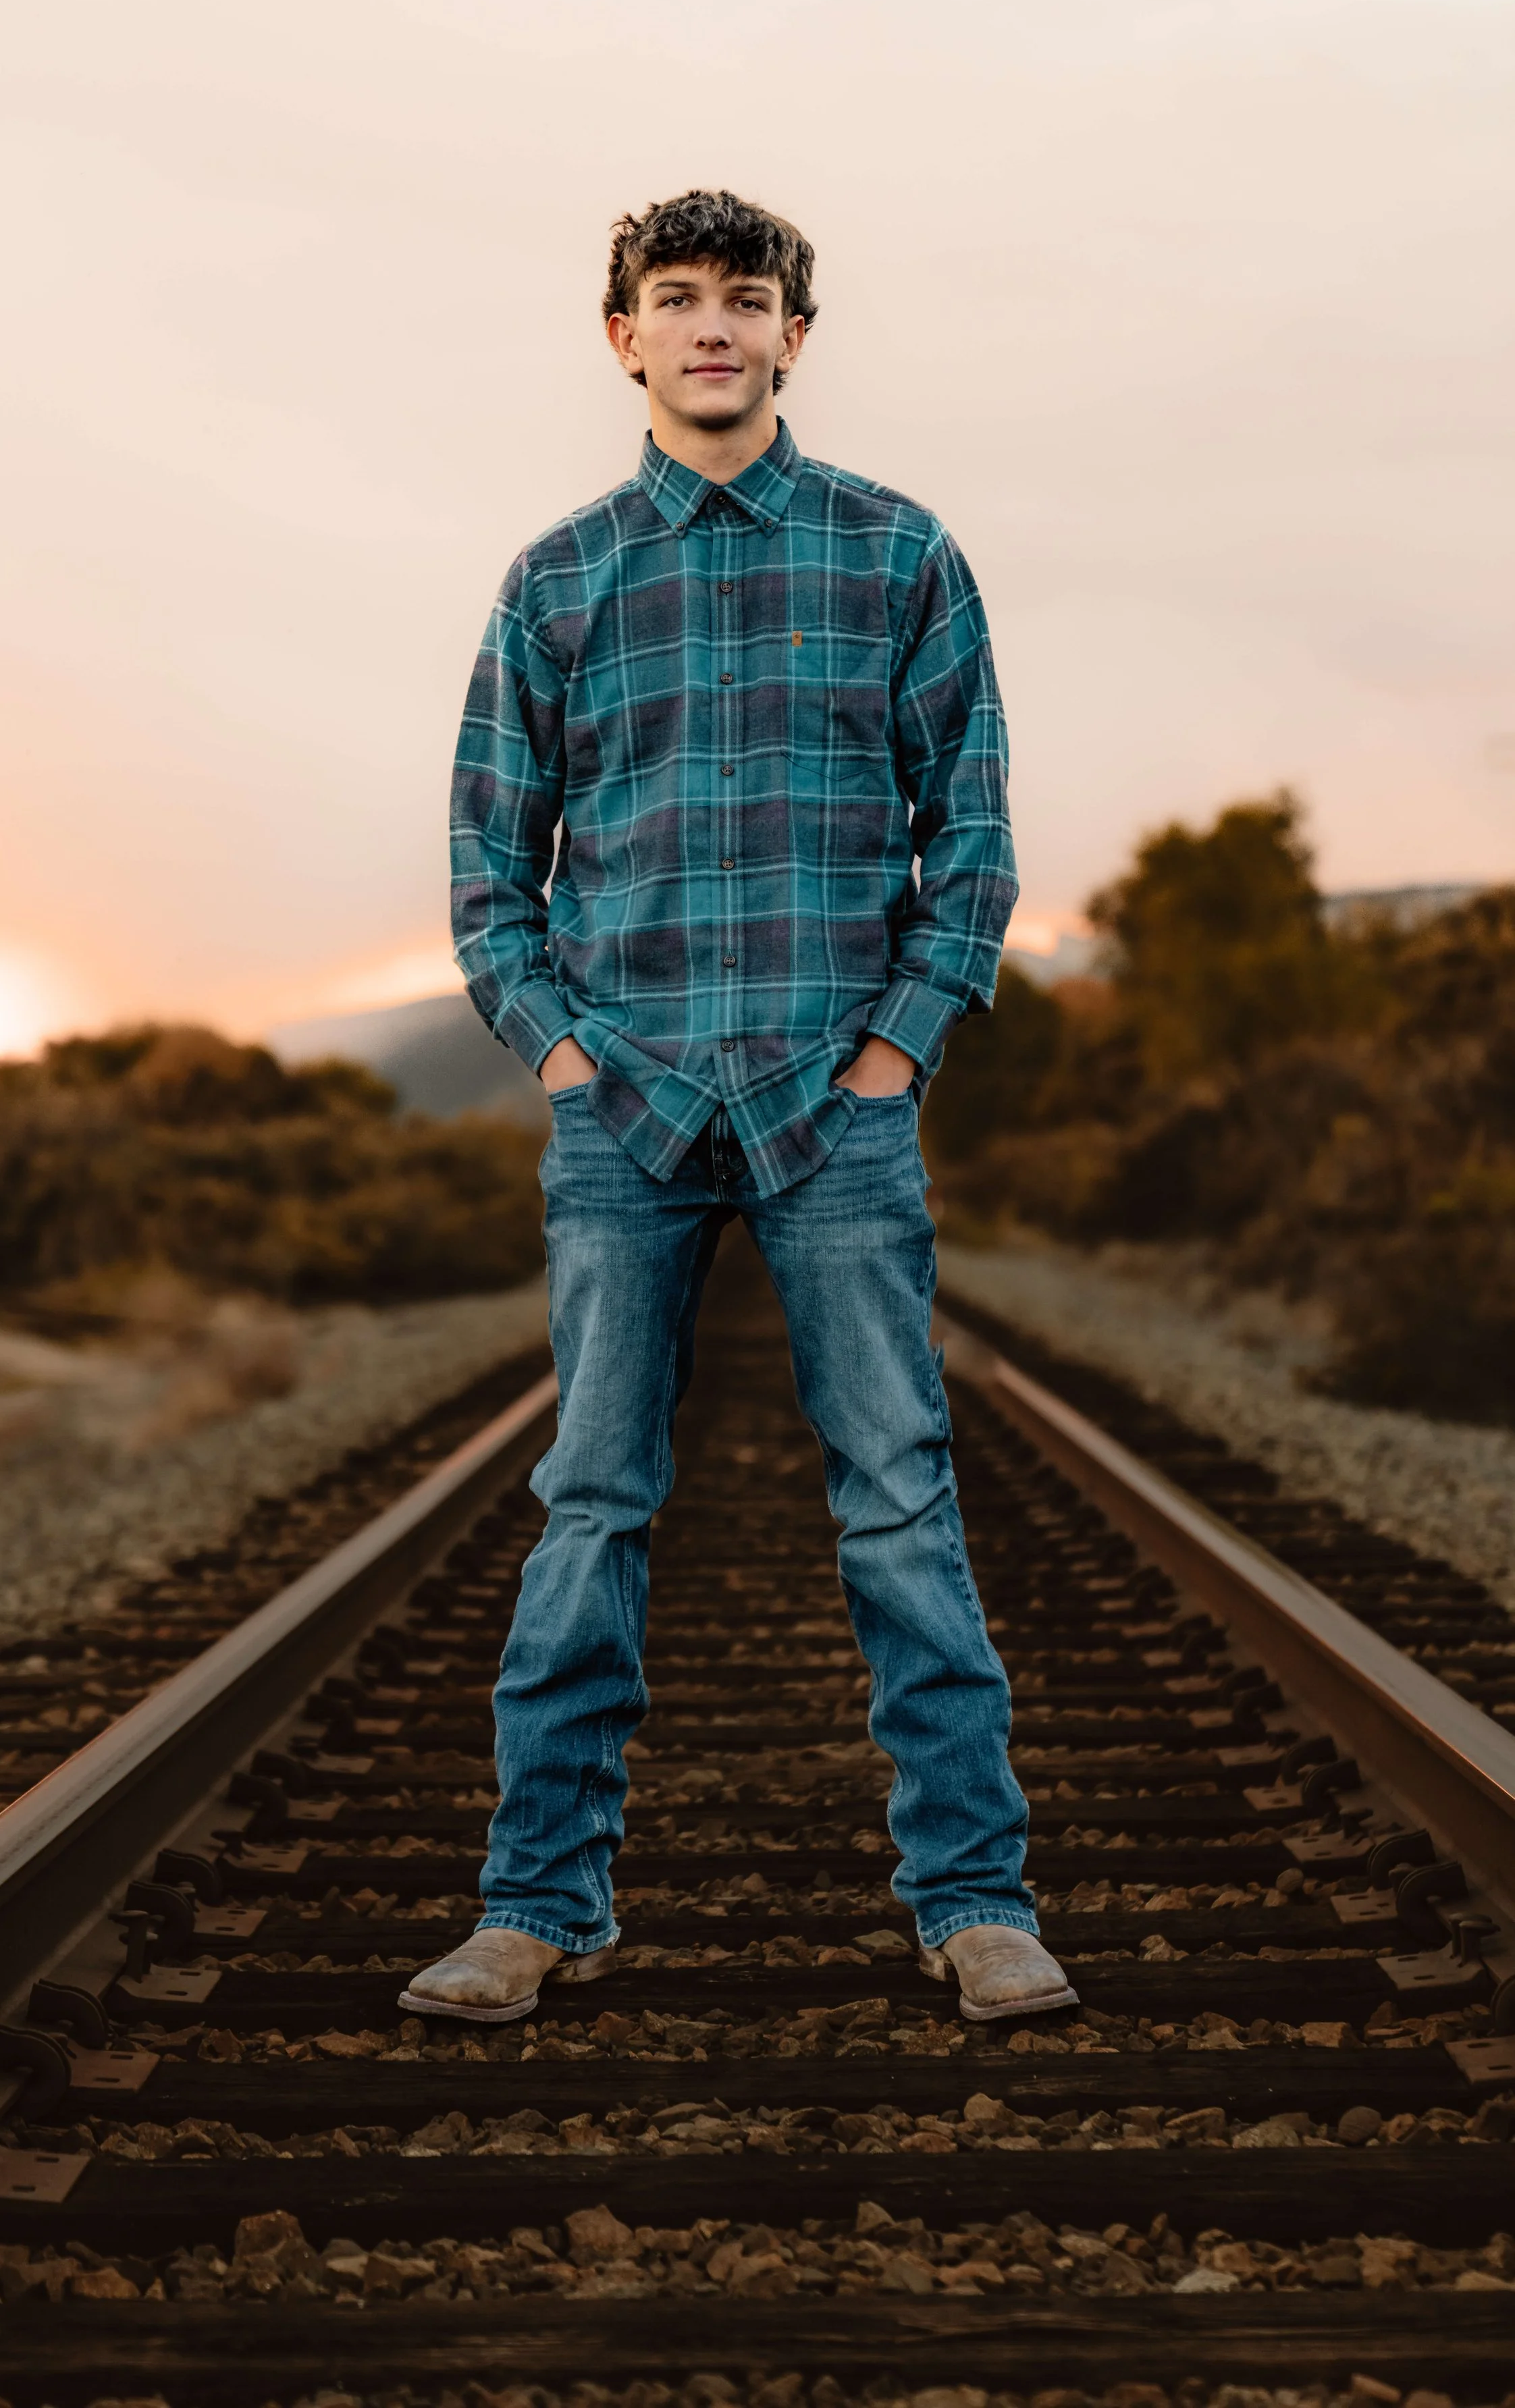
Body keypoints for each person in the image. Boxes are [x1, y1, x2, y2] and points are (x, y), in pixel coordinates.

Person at [406, 188, 1073, 2029]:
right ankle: (537, 1902)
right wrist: (560, 1055)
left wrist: (894, 1052)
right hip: (620, 1117)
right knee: (591, 1505)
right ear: (621, 338)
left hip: (831, 1108)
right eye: (674, 298)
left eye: (746, 298)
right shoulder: (555, 582)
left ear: (794, 333)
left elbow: (975, 839)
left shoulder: (897, 555)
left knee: (896, 1505)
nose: (712, 325)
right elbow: (488, 873)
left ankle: (973, 1899)